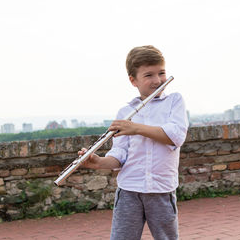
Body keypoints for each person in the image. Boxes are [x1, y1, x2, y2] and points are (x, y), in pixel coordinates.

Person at [78, 45, 189, 240]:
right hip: (129, 189)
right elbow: (119, 155)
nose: (157, 80)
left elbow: (175, 136)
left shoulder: (174, 101)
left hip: (161, 190)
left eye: (161, 73)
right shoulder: (126, 112)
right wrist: (99, 162)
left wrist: (136, 128)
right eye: (148, 75)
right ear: (133, 80)